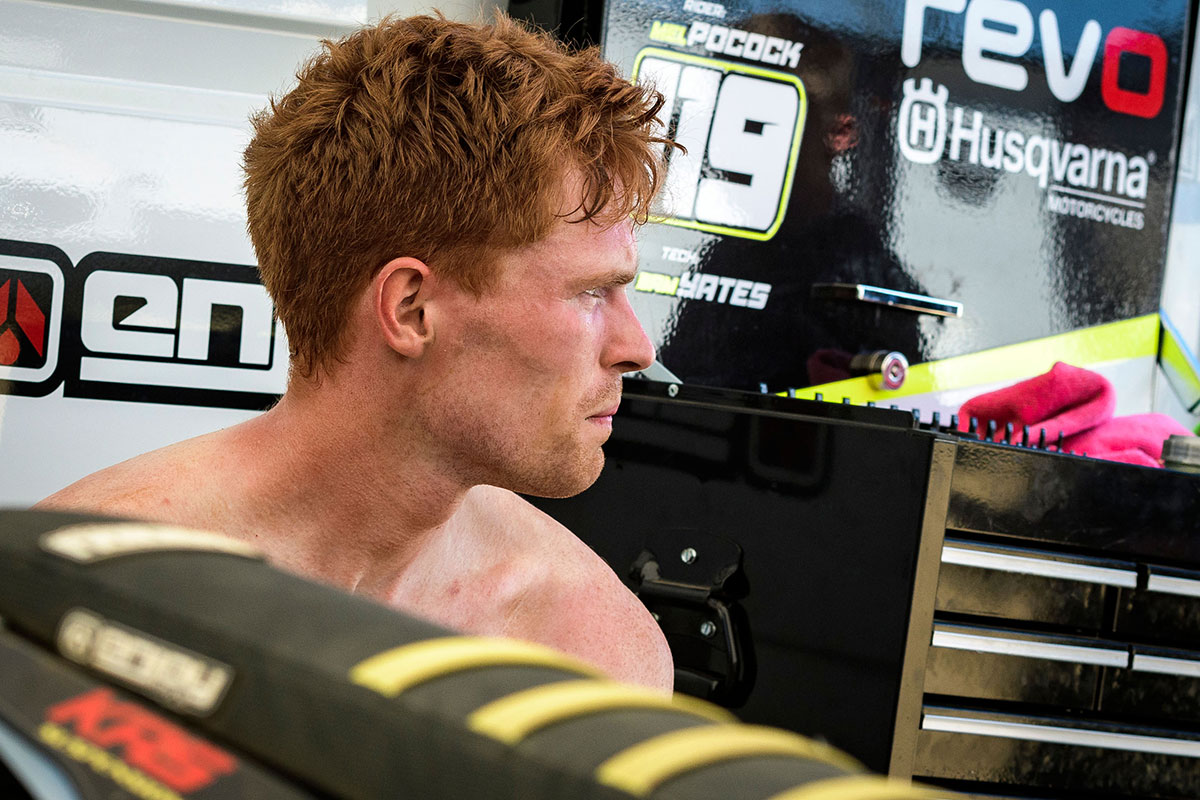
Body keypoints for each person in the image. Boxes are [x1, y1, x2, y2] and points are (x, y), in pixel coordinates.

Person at [36, 13, 677, 690]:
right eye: (591, 293)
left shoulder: (593, 647)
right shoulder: (75, 599)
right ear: (410, 309)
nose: (637, 349)